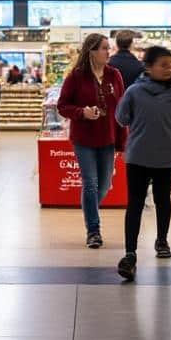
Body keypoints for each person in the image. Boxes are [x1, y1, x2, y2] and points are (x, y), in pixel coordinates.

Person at [114, 45, 171, 282]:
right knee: (149, 201)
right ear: (148, 67)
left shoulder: (135, 91)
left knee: (152, 201)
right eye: (163, 65)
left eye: (170, 65)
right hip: (155, 156)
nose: (169, 69)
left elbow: (122, 117)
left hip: (145, 155)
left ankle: (154, 243)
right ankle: (138, 249)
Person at [56, 33, 127, 248]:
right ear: (91, 51)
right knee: (90, 184)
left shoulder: (114, 75)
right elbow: (62, 106)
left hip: (108, 138)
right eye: (104, 48)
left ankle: (89, 209)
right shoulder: (76, 77)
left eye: (108, 47)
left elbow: (121, 110)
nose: (108, 52)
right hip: (84, 139)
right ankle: (93, 231)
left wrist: (123, 142)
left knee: (104, 185)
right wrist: (81, 112)